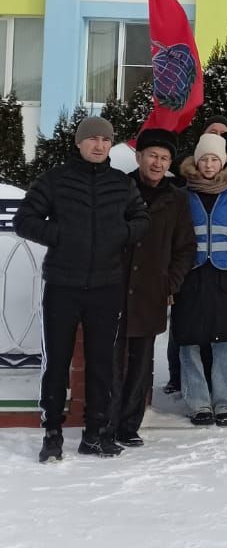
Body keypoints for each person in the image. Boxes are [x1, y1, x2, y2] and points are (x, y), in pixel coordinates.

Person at [13, 115, 150, 462]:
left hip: (106, 286)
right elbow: (24, 219)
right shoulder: (56, 180)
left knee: (102, 363)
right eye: (92, 139)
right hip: (63, 284)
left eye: (105, 140)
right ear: (79, 143)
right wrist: (61, 237)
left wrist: (119, 234)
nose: (99, 145)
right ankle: (53, 432)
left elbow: (141, 220)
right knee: (56, 361)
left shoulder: (121, 184)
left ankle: (96, 432)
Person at [105, 128, 196, 447]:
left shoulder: (176, 198)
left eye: (164, 157)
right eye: (152, 156)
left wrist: (169, 282)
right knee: (110, 361)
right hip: (114, 288)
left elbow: (186, 247)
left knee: (141, 363)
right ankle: (107, 422)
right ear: (139, 156)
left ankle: (129, 425)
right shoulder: (118, 189)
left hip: (150, 292)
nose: (158, 163)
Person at [170, 133, 227, 426]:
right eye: (204, 159)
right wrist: (171, 281)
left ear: (223, 164)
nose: (208, 165)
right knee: (190, 342)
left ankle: (225, 402)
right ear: (196, 162)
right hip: (190, 278)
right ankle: (198, 403)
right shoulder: (180, 196)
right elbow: (172, 241)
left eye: (214, 160)